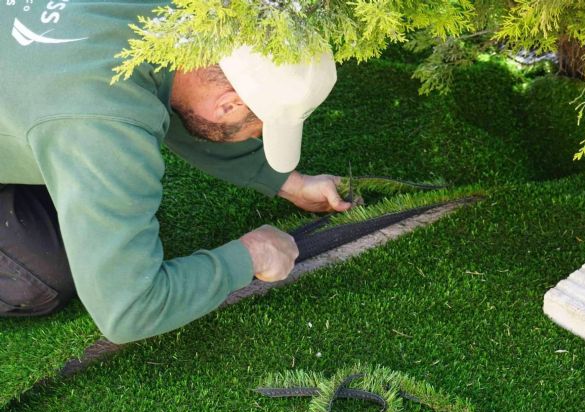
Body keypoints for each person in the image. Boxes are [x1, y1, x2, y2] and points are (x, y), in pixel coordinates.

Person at [0, 1, 350, 343]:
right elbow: (129, 310)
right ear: (228, 105)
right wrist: (251, 254)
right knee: (42, 272)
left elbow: (183, 94)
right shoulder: (101, 125)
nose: (256, 136)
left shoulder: (179, 16)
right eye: (258, 129)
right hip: (71, 118)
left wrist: (287, 182)